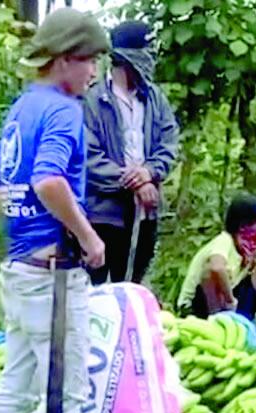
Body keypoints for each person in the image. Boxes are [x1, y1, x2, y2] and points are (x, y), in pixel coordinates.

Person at [0, 8, 109, 413]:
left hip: (19, 268)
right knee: (62, 384)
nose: (94, 72)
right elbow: (50, 180)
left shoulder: (23, 107)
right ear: (66, 59)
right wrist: (87, 236)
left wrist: (20, 220)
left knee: (19, 374)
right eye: (90, 61)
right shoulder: (62, 111)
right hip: (52, 275)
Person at [83, 20, 179, 285]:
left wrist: (149, 172)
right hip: (104, 214)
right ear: (127, 58)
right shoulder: (93, 100)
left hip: (145, 210)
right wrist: (132, 182)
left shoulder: (156, 99)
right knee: (99, 291)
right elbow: (88, 156)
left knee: (132, 287)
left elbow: (169, 142)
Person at [177, 193, 256, 340]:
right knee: (210, 273)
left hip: (231, 300)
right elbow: (216, 268)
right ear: (237, 231)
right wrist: (230, 300)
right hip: (201, 305)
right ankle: (218, 331)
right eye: (249, 237)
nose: (254, 244)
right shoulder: (224, 241)